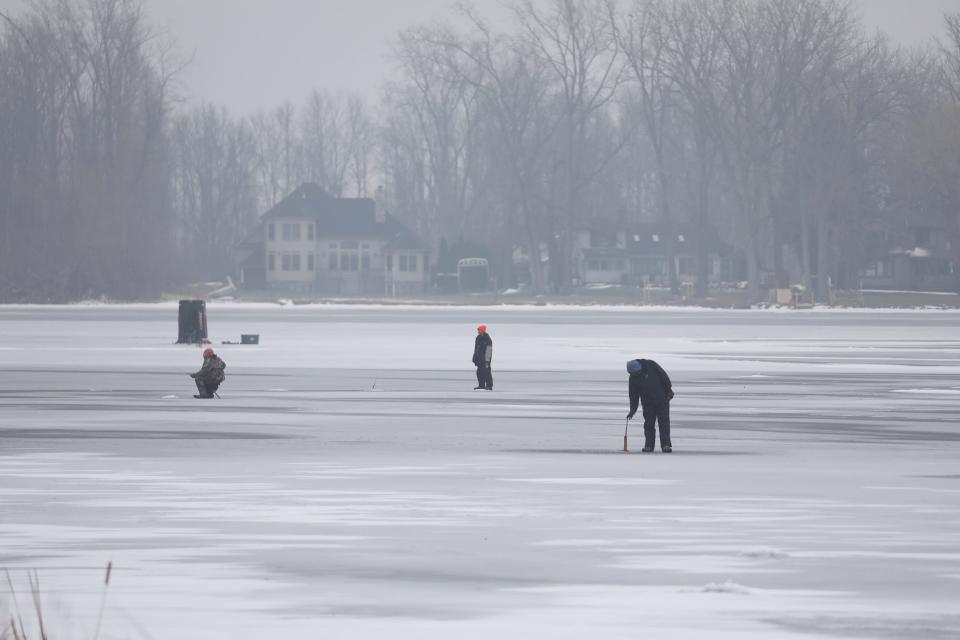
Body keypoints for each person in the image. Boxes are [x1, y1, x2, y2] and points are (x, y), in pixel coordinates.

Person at [626, 358, 674, 452]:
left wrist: (669, 390)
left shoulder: (650, 365)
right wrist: (632, 411)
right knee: (648, 424)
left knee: (664, 423)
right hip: (647, 403)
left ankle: (666, 445)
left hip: (662, 399)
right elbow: (633, 396)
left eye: (637, 373)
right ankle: (649, 446)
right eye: (633, 374)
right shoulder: (633, 378)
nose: (635, 375)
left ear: (640, 368)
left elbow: (663, 376)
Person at [473, 324, 493, 390]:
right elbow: (476, 349)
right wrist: (474, 357)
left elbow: (489, 350)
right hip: (479, 359)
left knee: (487, 372)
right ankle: (481, 385)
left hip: (485, 360)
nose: (478, 331)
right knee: (479, 373)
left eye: (479, 330)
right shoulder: (478, 338)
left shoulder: (487, 339)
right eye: (478, 330)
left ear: (482, 330)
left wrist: (487, 361)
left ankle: (489, 386)